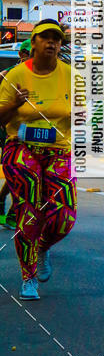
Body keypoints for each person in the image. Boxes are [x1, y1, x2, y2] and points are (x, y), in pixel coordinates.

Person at [0, 21, 75, 300]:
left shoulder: (71, 75)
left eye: (56, 39)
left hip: (58, 150)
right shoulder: (15, 75)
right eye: (45, 38)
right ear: (33, 43)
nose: (51, 43)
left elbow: (84, 115)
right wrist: (14, 104)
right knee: (30, 213)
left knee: (64, 218)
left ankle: (42, 248)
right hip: (21, 146)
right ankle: (28, 276)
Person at [0, 39, 31, 229]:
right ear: (22, 55)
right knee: (18, 174)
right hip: (12, 131)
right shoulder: (8, 75)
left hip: (37, 132)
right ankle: (11, 211)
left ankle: (5, 202)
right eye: (31, 53)